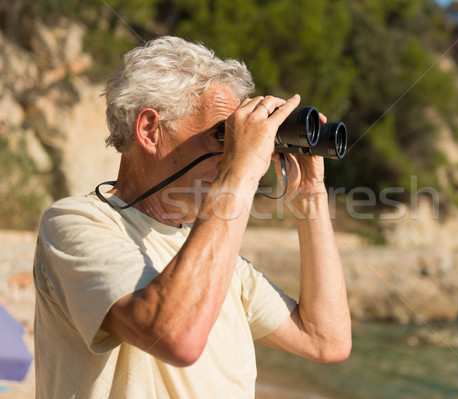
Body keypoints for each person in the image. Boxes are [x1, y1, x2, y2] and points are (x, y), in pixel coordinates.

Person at [33, 36, 351, 398]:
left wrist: (310, 193)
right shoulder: (77, 222)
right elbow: (175, 338)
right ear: (151, 131)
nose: (234, 150)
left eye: (235, 137)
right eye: (222, 135)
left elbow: (326, 339)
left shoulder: (212, 252)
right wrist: (240, 171)